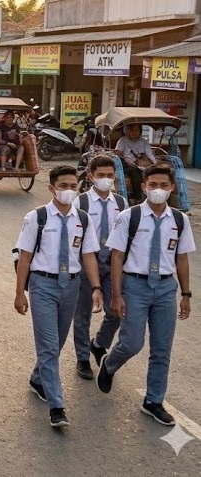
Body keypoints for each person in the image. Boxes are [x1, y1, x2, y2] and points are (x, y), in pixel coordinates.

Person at [97, 164, 194, 426]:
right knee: (132, 343)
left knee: (162, 349)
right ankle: (110, 364)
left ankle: (153, 401)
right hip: (135, 286)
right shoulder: (129, 217)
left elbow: (182, 258)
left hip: (165, 288)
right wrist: (117, 295)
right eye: (153, 185)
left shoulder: (179, 220)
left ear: (172, 187)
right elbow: (117, 257)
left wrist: (186, 294)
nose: (158, 190)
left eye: (163, 185)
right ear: (143, 187)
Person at [14, 165, 102, 428]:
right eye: (63, 186)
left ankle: (38, 378)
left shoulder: (83, 219)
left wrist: (96, 287)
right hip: (43, 285)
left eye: (73, 186)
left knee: (58, 341)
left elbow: (88, 255)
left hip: (71, 286)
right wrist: (19, 293)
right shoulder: (37, 217)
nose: (69, 191)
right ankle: (57, 406)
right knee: (49, 346)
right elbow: (25, 257)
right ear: (52, 188)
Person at [73, 155, 127, 381]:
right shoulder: (81, 203)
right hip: (86, 265)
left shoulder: (121, 204)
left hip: (113, 264)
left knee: (116, 310)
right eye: (101, 175)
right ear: (91, 176)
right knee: (82, 314)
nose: (106, 179)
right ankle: (82, 358)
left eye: (109, 175)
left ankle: (99, 343)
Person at [115, 124, 156, 203]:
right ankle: (138, 198)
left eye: (136, 130)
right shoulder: (123, 140)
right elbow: (118, 154)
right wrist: (125, 158)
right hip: (127, 165)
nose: (133, 132)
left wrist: (155, 165)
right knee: (136, 173)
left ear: (140, 131)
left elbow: (149, 154)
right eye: (131, 130)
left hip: (141, 164)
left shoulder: (144, 141)